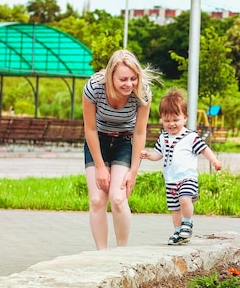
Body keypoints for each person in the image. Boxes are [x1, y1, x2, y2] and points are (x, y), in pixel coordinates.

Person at [83, 49, 157, 250]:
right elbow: (89, 128)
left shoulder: (142, 92)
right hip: (98, 141)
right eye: (123, 79)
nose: (129, 84)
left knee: (118, 198)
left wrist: (133, 171)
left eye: (133, 78)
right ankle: (102, 254)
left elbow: (140, 132)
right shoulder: (94, 88)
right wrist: (99, 166)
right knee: (98, 199)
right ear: (110, 76)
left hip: (125, 141)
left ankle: (121, 254)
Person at [140, 87, 222, 245]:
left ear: (185, 117)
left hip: (187, 178)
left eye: (175, 120)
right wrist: (149, 155)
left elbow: (204, 149)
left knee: (184, 199)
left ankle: (187, 223)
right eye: (166, 120)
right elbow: (159, 154)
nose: (171, 124)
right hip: (170, 180)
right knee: (174, 208)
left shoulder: (190, 136)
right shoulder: (163, 137)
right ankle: (178, 232)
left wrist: (214, 161)